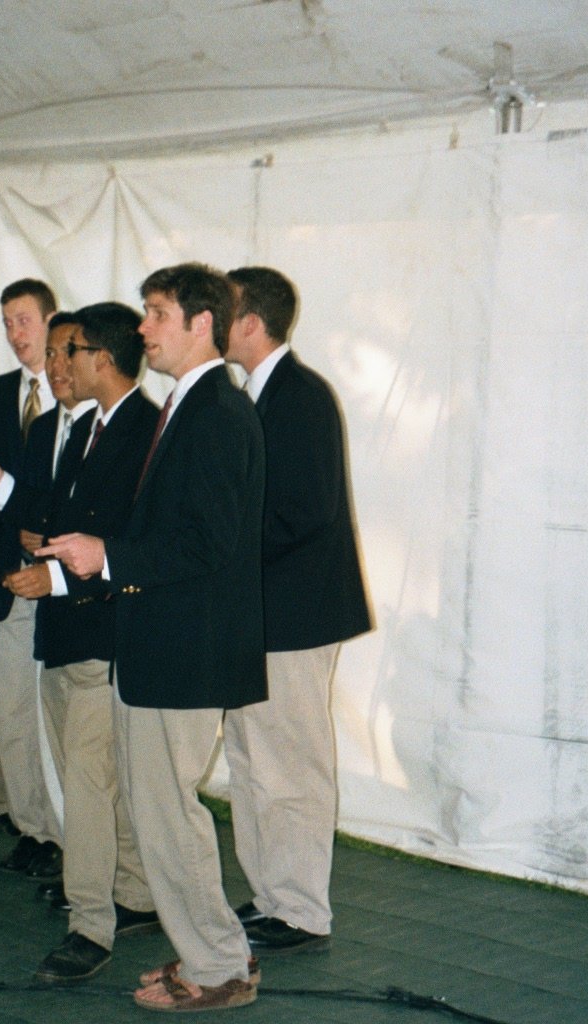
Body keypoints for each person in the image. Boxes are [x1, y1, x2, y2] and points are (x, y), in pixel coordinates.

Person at [39, 263, 266, 1012]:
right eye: (144, 312)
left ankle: (220, 966)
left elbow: (209, 544)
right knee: (162, 815)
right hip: (163, 646)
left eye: (158, 313)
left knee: (169, 818)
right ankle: (209, 953)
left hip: (186, 651)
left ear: (203, 324)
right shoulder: (191, 407)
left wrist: (107, 558)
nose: (143, 328)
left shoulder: (217, 414)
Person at [0, 302, 161, 982]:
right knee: (93, 778)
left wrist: (57, 576)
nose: (59, 363)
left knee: (88, 786)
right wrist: (42, 546)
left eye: (73, 350)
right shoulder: (87, 427)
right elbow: (68, 521)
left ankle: (89, 924)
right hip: (68, 632)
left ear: (103, 357)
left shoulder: (147, 432)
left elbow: (127, 542)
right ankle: (135, 892)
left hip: (104, 631)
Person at [222, 267, 374, 952]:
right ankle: (270, 895)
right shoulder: (251, 395)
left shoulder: (301, 397)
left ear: (252, 323)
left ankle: (303, 909)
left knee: (292, 767)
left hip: (295, 615)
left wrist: (217, 553)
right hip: (257, 614)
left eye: (218, 311)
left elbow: (304, 515)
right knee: (253, 765)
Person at [0, 279, 62, 879]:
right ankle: (33, 828)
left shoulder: (73, 389)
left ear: (51, 320)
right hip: (6, 579)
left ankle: (62, 832)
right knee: (9, 716)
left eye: (25, 320)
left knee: (51, 723)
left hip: (57, 579)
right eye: (7, 322)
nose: (16, 333)